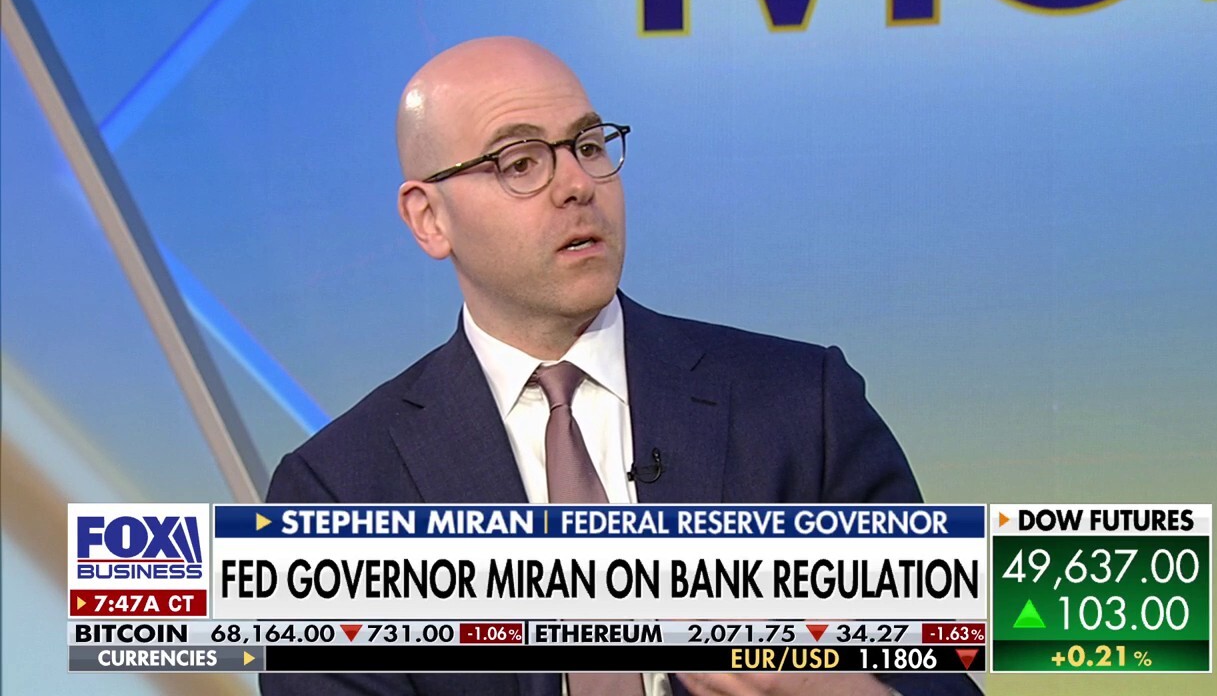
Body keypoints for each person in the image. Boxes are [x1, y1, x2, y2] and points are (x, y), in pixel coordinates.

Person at [261, 36, 982, 696]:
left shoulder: (803, 407)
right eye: (520, 163)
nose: (577, 184)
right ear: (429, 219)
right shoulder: (335, 492)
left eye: (588, 145)